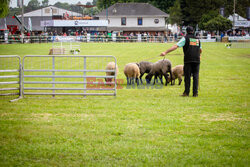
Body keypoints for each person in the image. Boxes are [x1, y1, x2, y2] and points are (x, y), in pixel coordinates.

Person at [160, 26, 202, 97]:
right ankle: (195, 93)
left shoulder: (185, 38)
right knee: (195, 76)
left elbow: (176, 46)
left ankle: (186, 93)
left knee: (187, 76)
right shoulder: (197, 39)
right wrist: (199, 56)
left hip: (188, 60)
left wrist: (165, 52)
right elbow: (200, 50)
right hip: (197, 60)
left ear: (186, 31)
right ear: (193, 31)